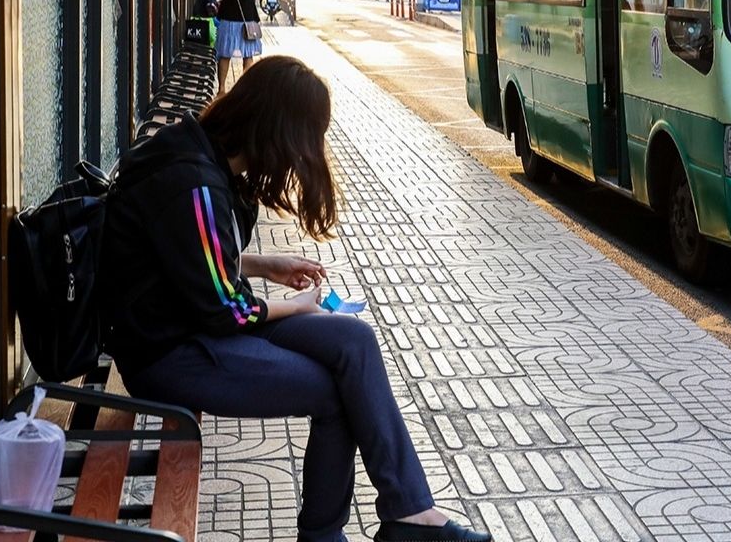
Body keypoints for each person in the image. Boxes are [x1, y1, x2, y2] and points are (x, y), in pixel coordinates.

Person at [101, 57, 491, 542]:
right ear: (278, 132)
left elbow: (181, 257)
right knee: (333, 394)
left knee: (355, 341)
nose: (302, 158)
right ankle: (325, 536)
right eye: (305, 142)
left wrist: (264, 265)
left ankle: (410, 513)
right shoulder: (193, 180)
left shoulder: (200, 153)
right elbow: (228, 310)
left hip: (191, 323)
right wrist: (300, 306)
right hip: (168, 351)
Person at [213, 0, 265, 96]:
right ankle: (245, 90)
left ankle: (221, 89)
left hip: (228, 22)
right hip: (247, 23)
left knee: (225, 55)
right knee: (248, 55)